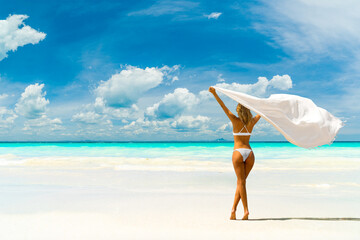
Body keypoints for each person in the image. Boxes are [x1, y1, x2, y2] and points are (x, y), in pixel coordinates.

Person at [209, 87, 261, 220]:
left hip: (238, 152)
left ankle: (246, 210)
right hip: (249, 153)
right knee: (241, 182)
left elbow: (223, 106)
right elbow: (262, 112)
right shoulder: (252, 122)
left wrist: (214, 93)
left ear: (238, 110)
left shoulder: (234, 120)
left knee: (240, 182)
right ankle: (233, 210)